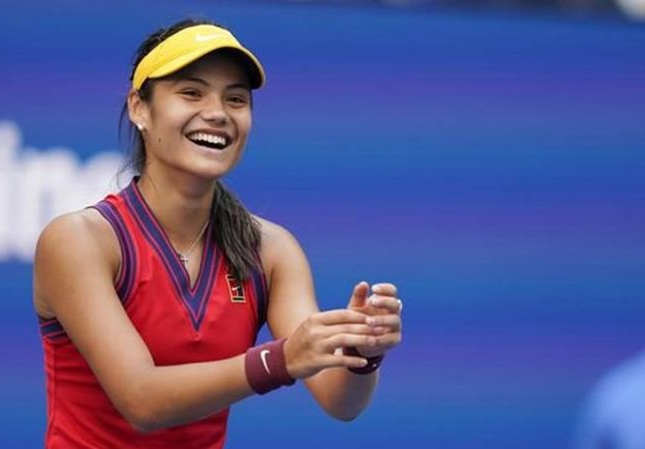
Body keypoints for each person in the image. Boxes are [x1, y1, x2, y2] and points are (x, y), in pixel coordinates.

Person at [33, 18, 403, 449]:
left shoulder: (272, 250)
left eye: (236, 99)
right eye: (191, 93)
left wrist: (361, 352)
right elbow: (142, 400)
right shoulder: (78, 240)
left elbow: (339, 400)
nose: (217, 113)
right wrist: (280, 359)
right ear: (139, 108)